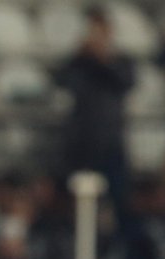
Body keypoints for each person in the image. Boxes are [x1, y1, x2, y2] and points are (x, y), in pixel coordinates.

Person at [55, 5, 134, 211]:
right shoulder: (79, 62)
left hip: (111, 142)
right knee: (78, 200)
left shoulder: (121, 60)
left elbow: (126, 81)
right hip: (81, 143)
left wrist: (102, 59)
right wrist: (79, 55)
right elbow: (61, 81)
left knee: (117, 199)